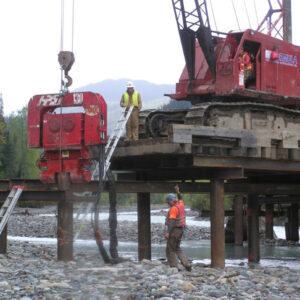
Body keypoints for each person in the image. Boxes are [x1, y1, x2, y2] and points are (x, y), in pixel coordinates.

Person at [165, 193, 191, 271]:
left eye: (168, 202)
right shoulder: (181, 204)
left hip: (175, 231)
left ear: (171, 201)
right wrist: (178, 192)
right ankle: (187, 264)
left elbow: (172, 221)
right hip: (181, 230)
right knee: (177, 248)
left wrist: (168, 232)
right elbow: (180, 197)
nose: (168, 204)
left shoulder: (174, 208)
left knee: (170, 249)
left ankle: (174, 266)